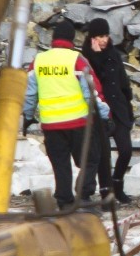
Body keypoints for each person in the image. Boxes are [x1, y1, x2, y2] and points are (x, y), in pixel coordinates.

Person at [23, 19, 110, 210]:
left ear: (53, 39)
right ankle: (84, 194)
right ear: (72, 39)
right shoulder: (77, 60)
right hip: (78, 123)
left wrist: (27, 117)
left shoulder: (38, 61)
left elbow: (29, 94)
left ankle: (64, 200)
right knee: (91, 158)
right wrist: (104, 115)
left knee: (60, 164)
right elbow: (91, 92)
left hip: (51, 125)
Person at [82, 17, 134, 204]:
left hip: (119, 110)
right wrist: (96, 57)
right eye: (98, 37)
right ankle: (106, 193)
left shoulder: (114, 54)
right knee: (103, 155)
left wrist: (129, 109)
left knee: (126, 150)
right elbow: (95, 81)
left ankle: (117, 183)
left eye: (105, 35)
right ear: (91, 38)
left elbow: (123, 83)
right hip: (100, 111)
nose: (103, 40)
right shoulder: (86, 58)